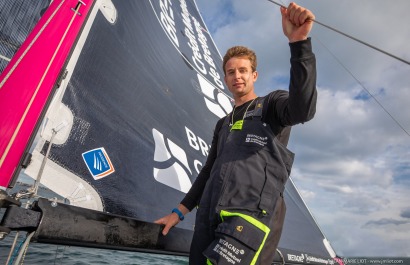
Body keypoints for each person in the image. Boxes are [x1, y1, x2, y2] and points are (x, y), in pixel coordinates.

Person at [155, 2, 317, 264]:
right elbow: (207, 171)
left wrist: (299, 44)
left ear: (254, 75)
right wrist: (179, 212)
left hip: (248, 218)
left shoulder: (272, 105)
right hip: (209, 217)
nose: (237, 76)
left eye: (243, 71)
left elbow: (303, 109)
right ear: (225, 78)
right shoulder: (223, 124)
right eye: (231, 72)